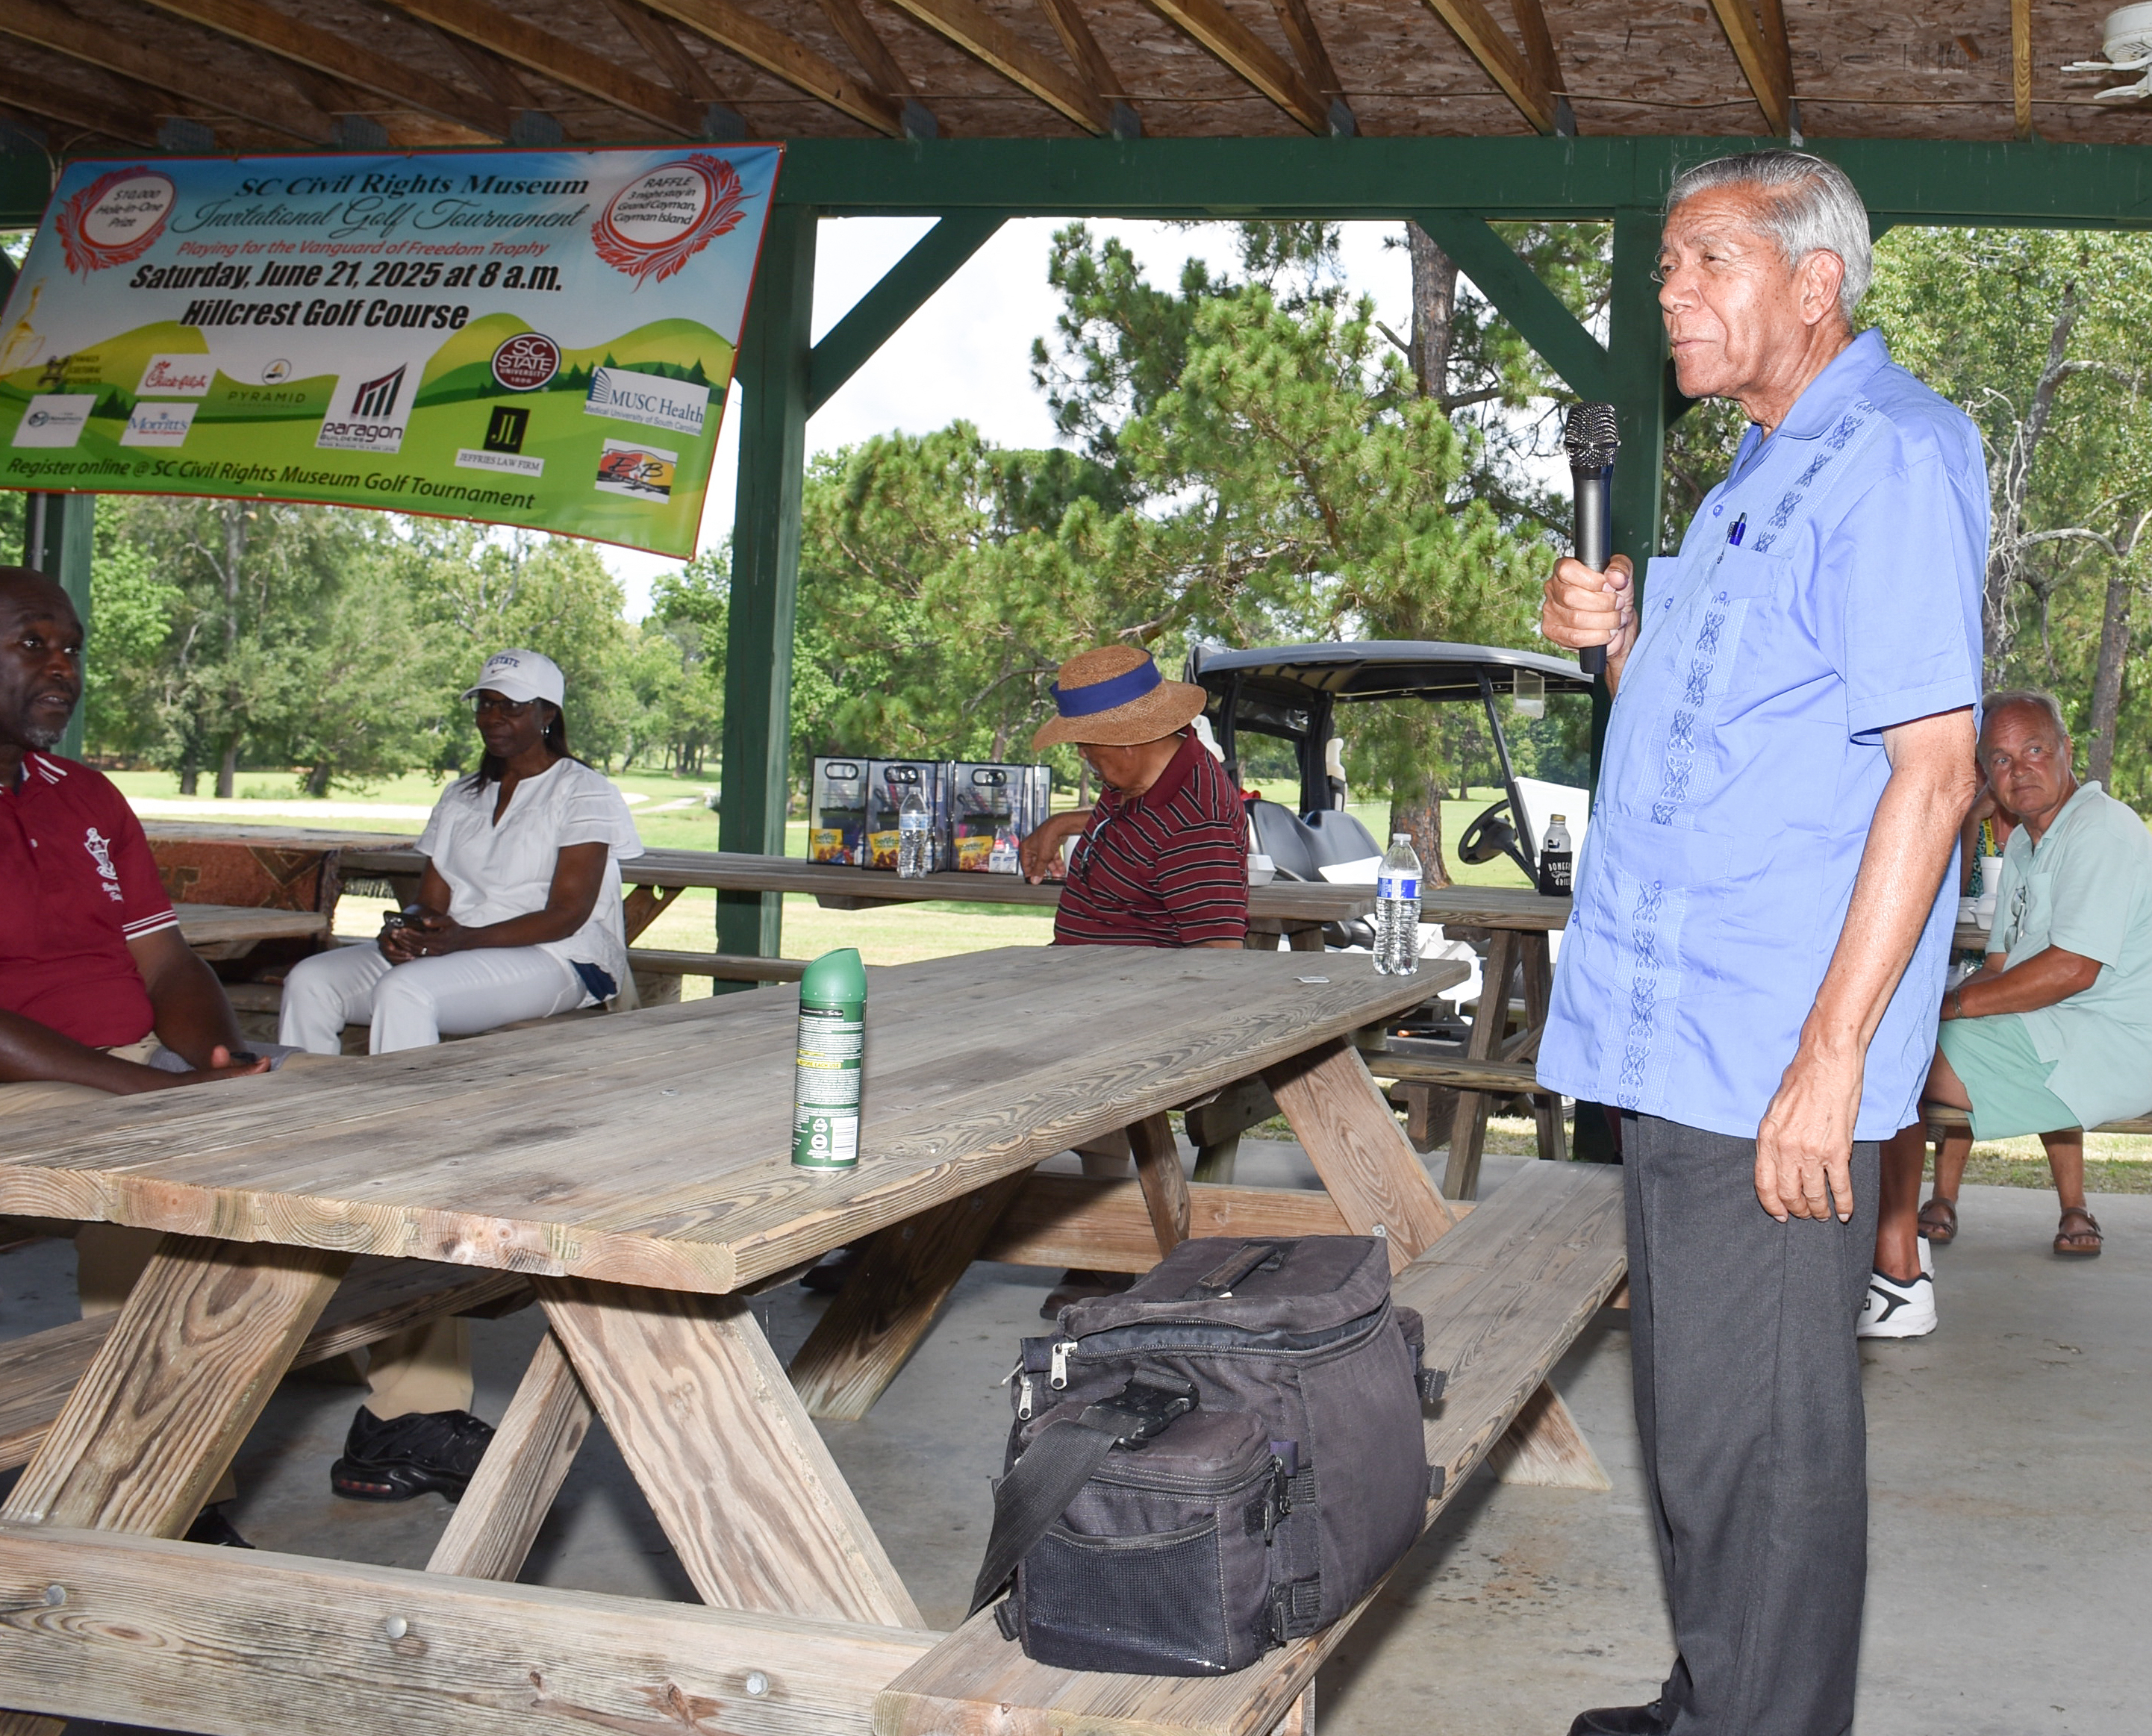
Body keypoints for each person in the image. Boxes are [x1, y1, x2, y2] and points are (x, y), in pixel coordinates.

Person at [1538, 152, 1985, 1736]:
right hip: (1678, 1033)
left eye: (1706, 262)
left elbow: (1933, 771)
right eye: (1665, 266)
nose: (1668, 293)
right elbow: (1723, 733)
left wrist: (1829, 1057)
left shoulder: (1896, 454)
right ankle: (1712, 1695)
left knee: (1769, 1447)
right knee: (1702, 1424)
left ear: (1814, 282)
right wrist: (1618, 647)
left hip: (1770, 1051)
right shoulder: (1752, 468)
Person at [278, 646, 643, 1502]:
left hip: (558, 961)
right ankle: (304, 1169)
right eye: (485, 702)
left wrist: (450, 944)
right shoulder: (463, 796)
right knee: (312, 982)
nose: (493, 716)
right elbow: (432, 902)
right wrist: (408, 928)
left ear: (548, 713)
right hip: (458, 953)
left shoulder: (583, 791)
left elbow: (568, 910)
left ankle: (396, 1178)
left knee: (407, 994)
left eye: (510, 704)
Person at [0, 565, 272, 1546]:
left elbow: (166, 959)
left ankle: (407, 1415)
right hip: (30, 1086)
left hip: (125, 1069)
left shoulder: (85, 795)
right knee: (155, 1196)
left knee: (361, 1139)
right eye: (33, 643)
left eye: (72, 648)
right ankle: (170, 1496)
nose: (63, 668)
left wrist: (216, 1059)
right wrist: (153, 1094)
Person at [1868, 692, 2152, 1310]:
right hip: (2052, 1029)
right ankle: (1892, 1249)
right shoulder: (2025, 842)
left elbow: (2071, 969)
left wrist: (1949, 1010)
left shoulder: (2100, 830)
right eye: (1999, 759)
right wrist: (1931, 1001)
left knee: (1887, 1055)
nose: (2018, 770)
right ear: (1985, 774)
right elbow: (1997, 966)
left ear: (2066, 751)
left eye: (2033, 750)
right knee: (1889, 1039)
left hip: (2107, 1044)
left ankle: (1895, 1270)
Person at [1019, 644, 1249, 949]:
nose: (1082, 754)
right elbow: (1146, 828)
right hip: (1079, 965)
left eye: (1084, 743)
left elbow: (1219, 951)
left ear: (1125, 741)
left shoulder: (1197, 823)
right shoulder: (1140, 776)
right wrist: (1061, 824)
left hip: (1127, 977)